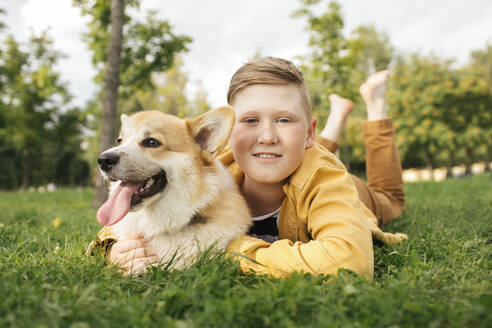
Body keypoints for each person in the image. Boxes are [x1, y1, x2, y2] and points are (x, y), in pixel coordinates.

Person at [91, 57, 407, 278]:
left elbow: (349, 263)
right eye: (251, 120)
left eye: (284, 119)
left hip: (352, 188)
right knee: (285, 149)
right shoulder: (212, 165)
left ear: (307, 131)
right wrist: (113, 249)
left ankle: (374, 104)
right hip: (301, 151)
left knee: (389, 197)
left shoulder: (327, 179)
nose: (266, 136)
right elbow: (118, 225)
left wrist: (232, 249)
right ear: (230, 133)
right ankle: (335, 118)